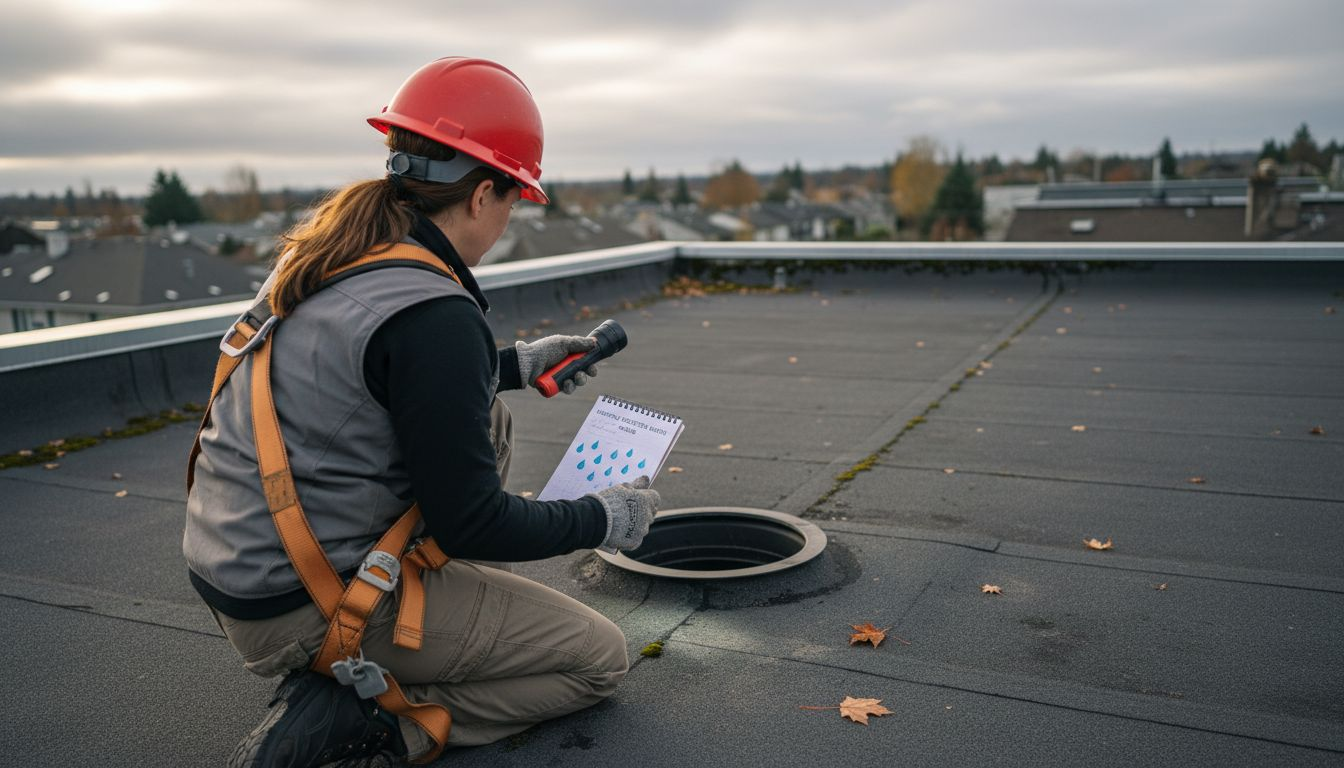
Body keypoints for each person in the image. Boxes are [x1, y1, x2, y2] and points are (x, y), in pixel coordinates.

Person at [182, 57, 661, 767]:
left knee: (488, 416)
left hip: (240, 567)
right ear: (481, 195)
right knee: (597, 659)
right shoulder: (434, 313)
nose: (507, 217)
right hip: (304, 606)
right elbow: (476, 522)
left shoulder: (333, 248)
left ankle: (391, 634)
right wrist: (605, 518)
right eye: (512, 199)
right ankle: (371, 720)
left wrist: (511, 366)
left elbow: (366, 378)